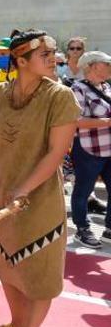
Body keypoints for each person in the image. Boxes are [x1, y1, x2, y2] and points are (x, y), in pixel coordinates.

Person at [0, 29, 79, 327]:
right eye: (45, 54)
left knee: (39, 273)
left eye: (54, 53)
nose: (54, 59)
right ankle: (17, 324)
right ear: (21, 60)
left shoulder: (60, 97)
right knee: (6, 265)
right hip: (0, 195)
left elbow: (56, 153)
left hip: (39, 199)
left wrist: (23, 190)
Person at [69, 51, 111, 248]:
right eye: (107, 64)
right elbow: (75, 122)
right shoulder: (77, 89)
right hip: (88, 149)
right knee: (83, 191)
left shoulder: (107, 87)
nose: (110, 67)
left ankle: (109, 229)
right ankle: (82, 229)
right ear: (93, 66)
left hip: (108, 148)